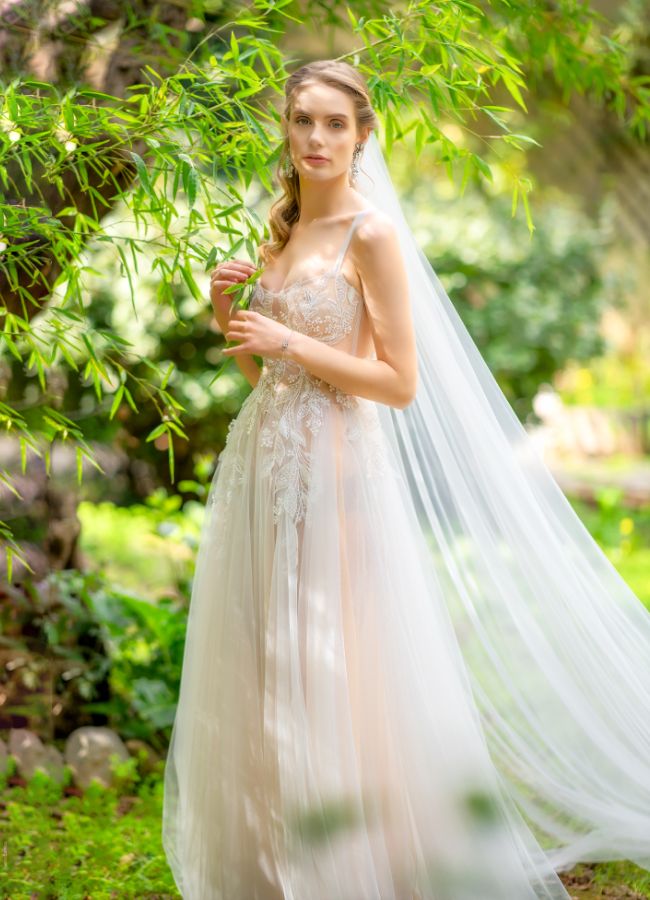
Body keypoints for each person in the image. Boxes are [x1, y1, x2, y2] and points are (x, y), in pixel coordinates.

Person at [162, 59, 650, 899]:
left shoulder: (371, 233)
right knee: (265, 659)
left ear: (362, 136)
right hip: (260, 465)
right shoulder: (277, 232)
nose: (316, 138)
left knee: (331, 665)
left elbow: (397, 383)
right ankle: (272, 864)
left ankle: (348, 867)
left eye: (334, 124)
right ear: (285, 127)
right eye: (302, 120)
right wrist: (226, 316)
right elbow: (264, 378)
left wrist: (292, 345)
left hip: (339, 467)